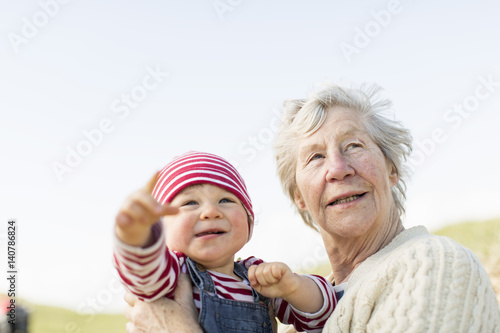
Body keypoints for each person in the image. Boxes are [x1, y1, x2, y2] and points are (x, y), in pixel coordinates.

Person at [123, 83, 500, 333]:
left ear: (391, 169)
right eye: (315, 157)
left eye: (353, 145)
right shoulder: (299, 299)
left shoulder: (433, 265)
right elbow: (143, 267)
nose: (338, 168)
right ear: (299, 198)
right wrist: (138, 234)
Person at [114, 151, 337, 333]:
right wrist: (134, 236)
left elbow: (321, 316)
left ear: (249, 223)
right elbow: (143, 271)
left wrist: (294, 287)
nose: (211, 211)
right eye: (190, 203)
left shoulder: (257, 278)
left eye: (225, 200)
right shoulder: (173, 274)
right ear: (161, 229)